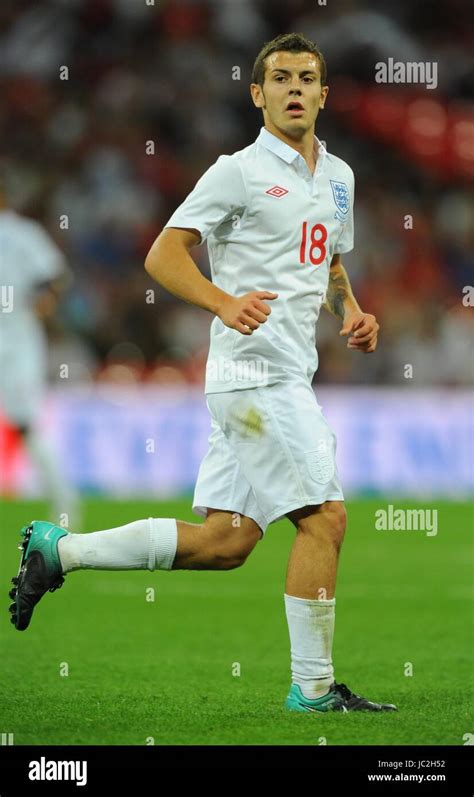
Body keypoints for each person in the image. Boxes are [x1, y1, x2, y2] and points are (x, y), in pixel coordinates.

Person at [9, 33, 396, 713]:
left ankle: (59, 550)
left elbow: (329, 261)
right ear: (258, 93)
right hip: (254, 379)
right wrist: (223, 300)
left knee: (226, 543)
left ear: (325, 94)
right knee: (326, 519)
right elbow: (163, 254)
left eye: (308, 78)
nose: (296, 88)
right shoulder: (237, 171)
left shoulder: (340, 178)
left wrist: (353, 312)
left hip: (283, 376)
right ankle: (312, 689)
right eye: (281, 78)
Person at [0, 188, 80, 530]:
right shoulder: (25, 233)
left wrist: (40, 308)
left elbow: (56, 277)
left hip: (17, 339)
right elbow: (57, 277)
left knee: (25, 422)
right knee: (26, 424)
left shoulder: (20, 232)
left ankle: (63, 500)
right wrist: (42, 305)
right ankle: (64, 502)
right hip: (18, 336)